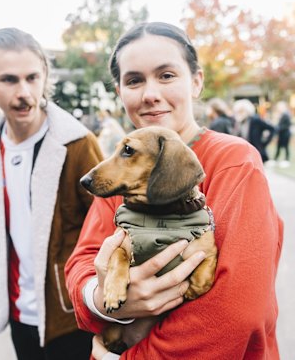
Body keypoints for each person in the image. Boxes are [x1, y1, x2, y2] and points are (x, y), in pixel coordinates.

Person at [64, 22, 283, 359]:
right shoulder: (124, 174)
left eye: (166, 75)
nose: (150, 93)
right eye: (134, 80)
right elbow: (82, 262)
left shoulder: (235, 161)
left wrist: (125, 358)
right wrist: (104, 298)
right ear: (120, 92)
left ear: (196, 82)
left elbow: (235, 314)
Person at [0, 27, 103, 360]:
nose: (24, 92)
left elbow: (111, 221)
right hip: (18, 313)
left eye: (32, 78)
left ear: (45, 76)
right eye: (9, 80)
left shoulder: (77, 145)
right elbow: (9, 198)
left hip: (69, 314)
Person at [233, 98, 275, 163]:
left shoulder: (255, 120)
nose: (239, 113)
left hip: (257, 152)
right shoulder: (238, 122)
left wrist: (264, 143)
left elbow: (272, 129)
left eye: (241, 111)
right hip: (244, 153)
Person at [272, 100, 292, 168]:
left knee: (286, 147)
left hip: (285, 134)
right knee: (279, 147)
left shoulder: (286, 114)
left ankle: (286, 159)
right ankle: (275, 159)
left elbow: (286, 125)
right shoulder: (282, 115)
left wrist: (278, 128)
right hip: (281, 134)